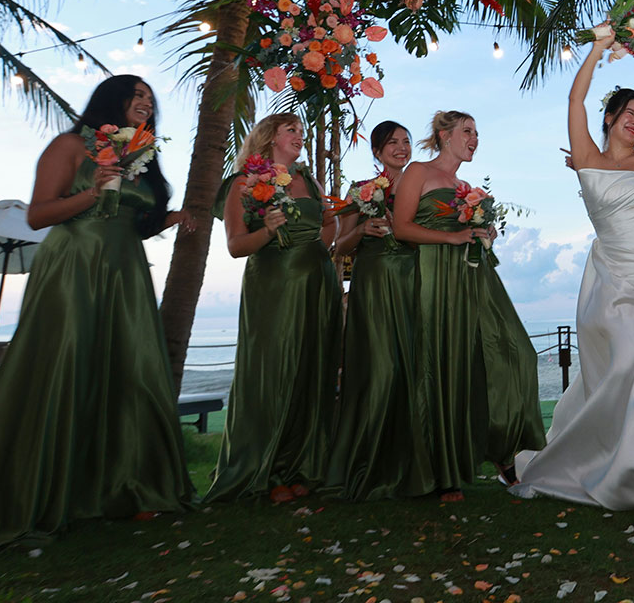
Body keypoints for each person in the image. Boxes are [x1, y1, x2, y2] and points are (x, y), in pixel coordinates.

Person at [0, 75, 194, 550]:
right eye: (137, 95)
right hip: (75, 265)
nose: (146, 103)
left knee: (128, 370)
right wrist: (93, 191)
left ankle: (125, 486)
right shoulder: (71, 146)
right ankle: (33, 496)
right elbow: (38, 216)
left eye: (150, 99)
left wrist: (167, 219)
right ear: (111, 100)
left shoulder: (140, 154)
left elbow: (129, 221)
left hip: (125, 270)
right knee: (65, 365)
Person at [512, 38, 634, 520]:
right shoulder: (586, 157)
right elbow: (574, 99)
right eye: (629, 113)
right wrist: (598, 49)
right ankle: (619, 459)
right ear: (611, 116)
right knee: (621, 365)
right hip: (609, 272)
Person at [393, 110, 545, 502]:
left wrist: (482, 232)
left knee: (513, 352)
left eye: (477, 133)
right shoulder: (418, 172)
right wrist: (453, 238)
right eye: (467, 131)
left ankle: (503, 448)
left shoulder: (466, 188)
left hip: (471, 279)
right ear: (444, 135)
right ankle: (443, 472)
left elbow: (467, 234)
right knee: (443, 366)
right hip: (434, 279)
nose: (474, 138)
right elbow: (402, 228)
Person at [207, 113, 343, 503]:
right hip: (273, 287)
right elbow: (236, 246)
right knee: (274, 370)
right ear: (269, 138)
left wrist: (313, 249)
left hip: (317, 284)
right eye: (292, 130)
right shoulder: (244, 183)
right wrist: (268, 231)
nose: (301, 135)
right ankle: (267, 469)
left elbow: (329, 224)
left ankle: (302, 465)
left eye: (302, 130)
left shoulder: (310, 180)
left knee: (311, 372)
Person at [328, 121, 434, 499]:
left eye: (406, 141)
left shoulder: (423, 188)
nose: (402, 148)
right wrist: (363, 230)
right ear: (377, 151)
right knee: (379, 367)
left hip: (413, 283)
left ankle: (418, 463)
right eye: (392, 143)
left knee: (414, 366)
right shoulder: (361, 190)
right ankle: (371, 461)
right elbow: (339, 246)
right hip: (372, 287)